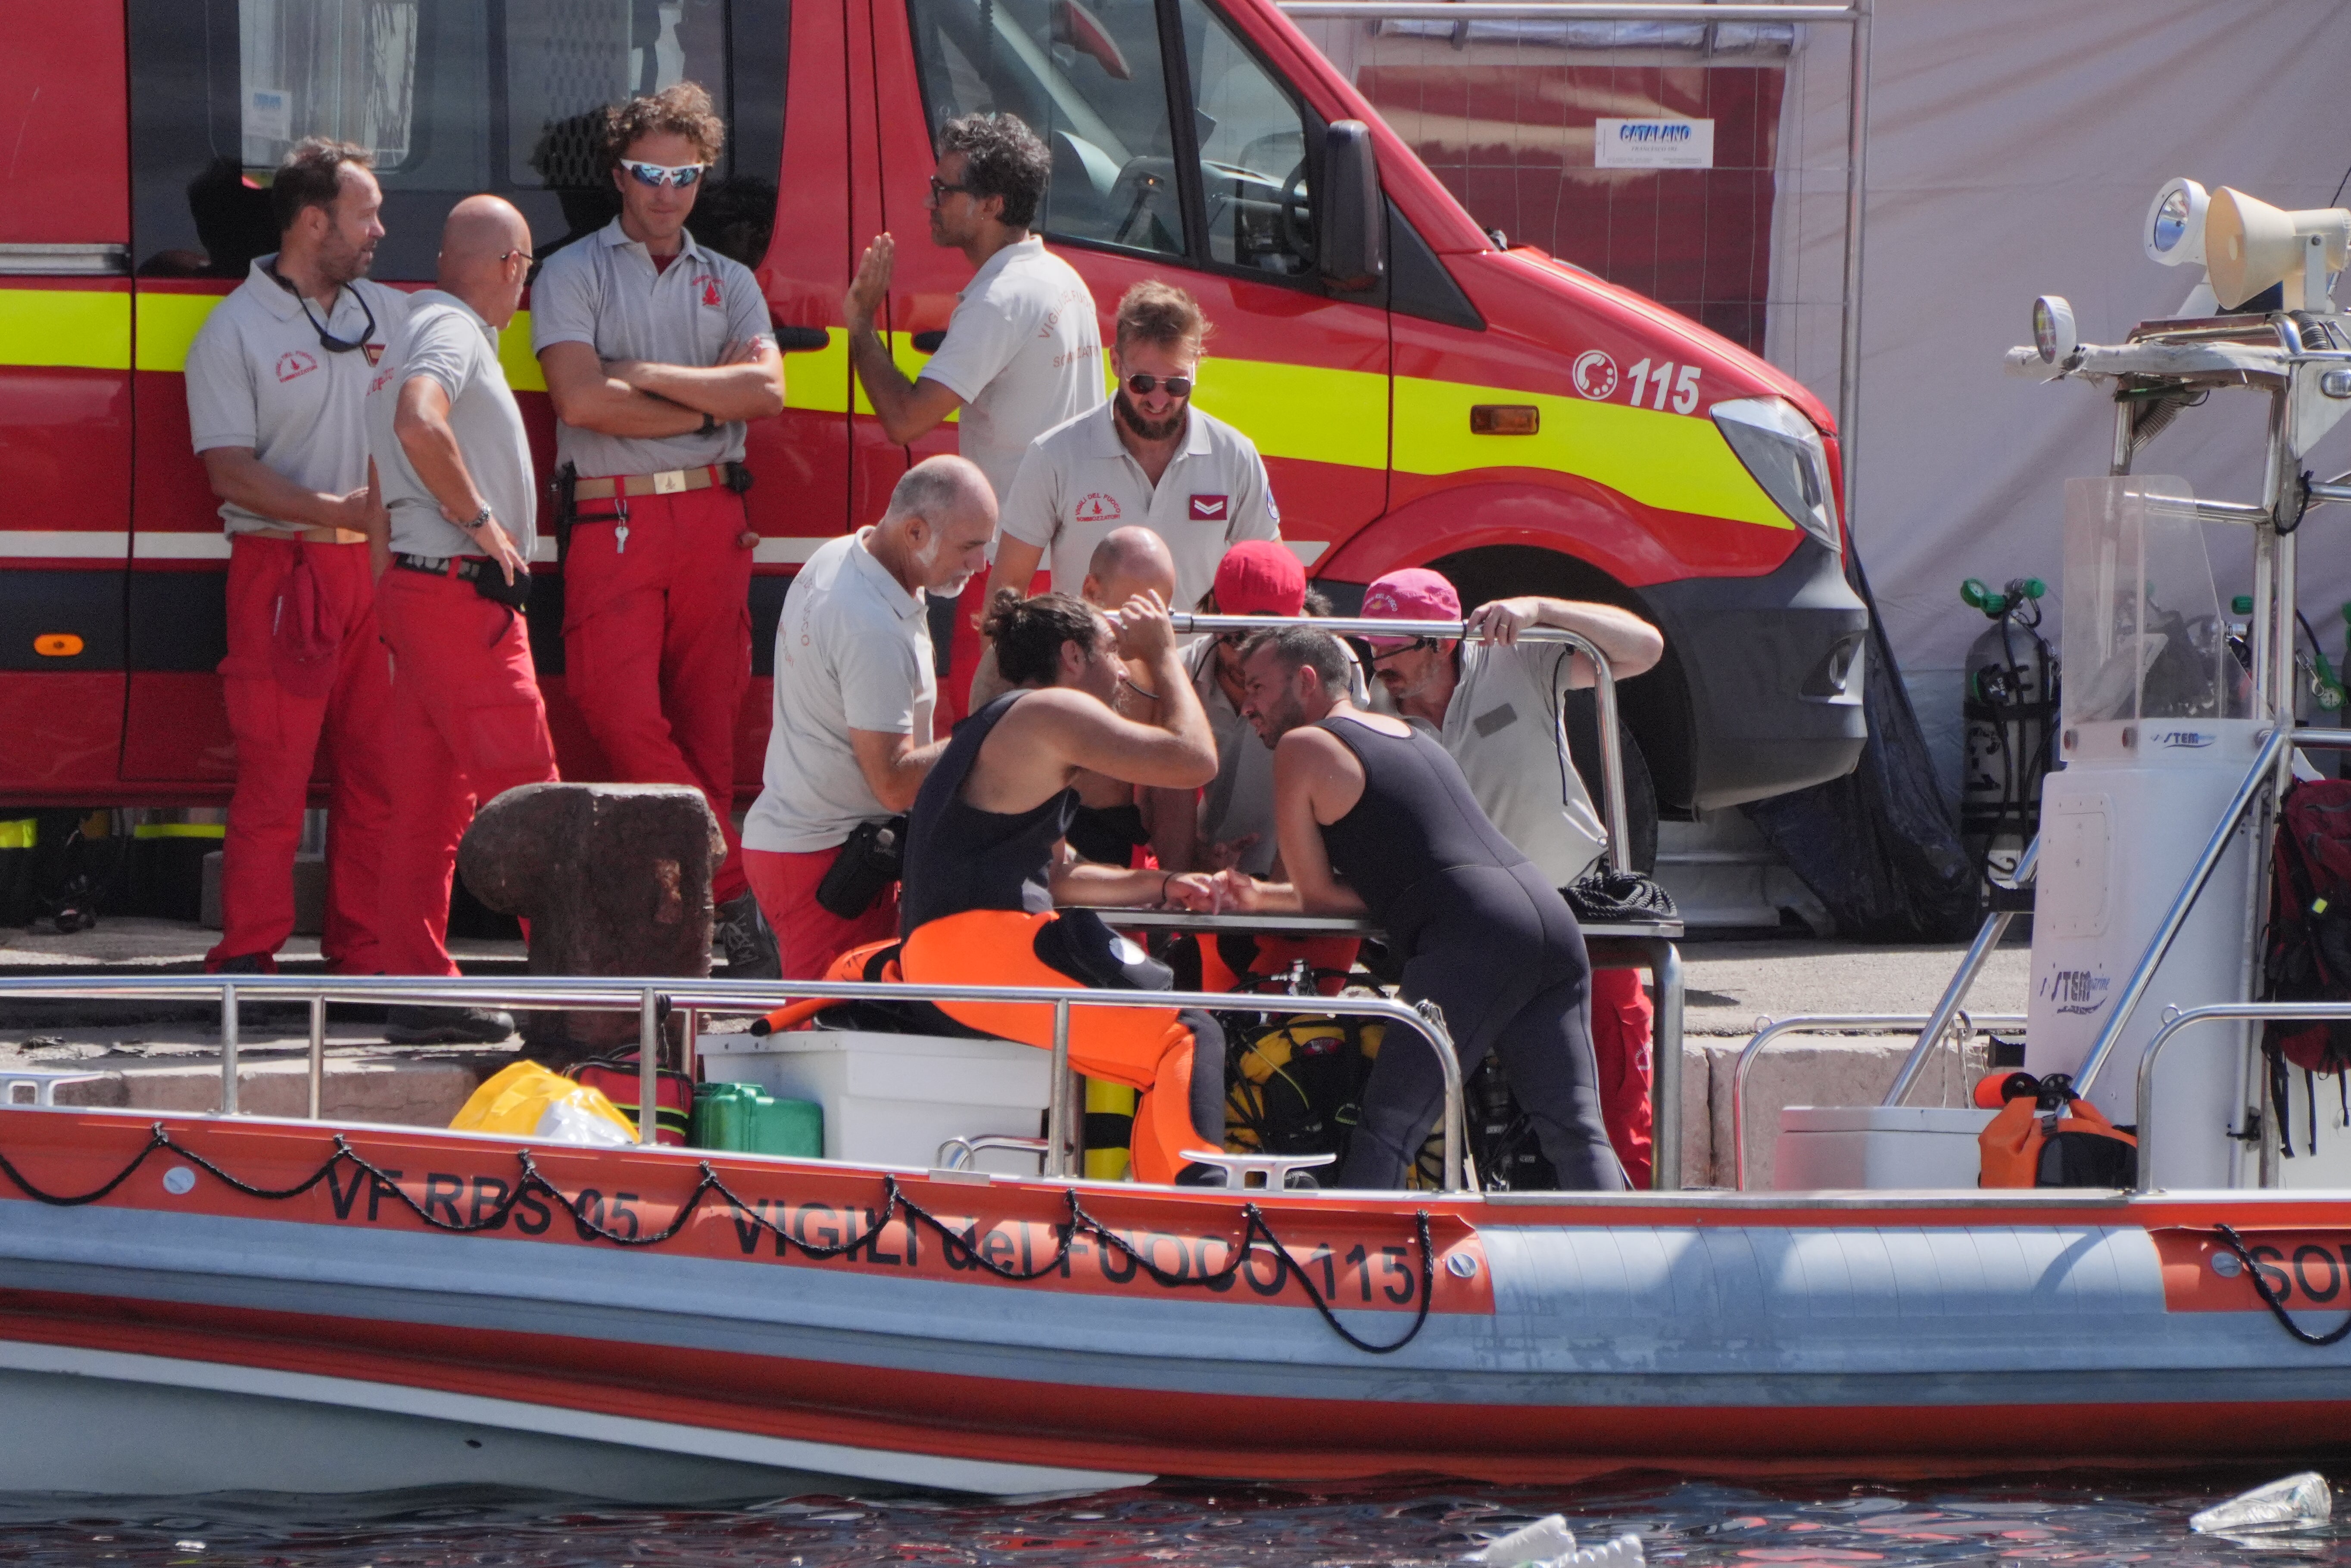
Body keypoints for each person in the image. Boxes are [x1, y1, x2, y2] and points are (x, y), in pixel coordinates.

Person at [1214, 625, 1629, 1191]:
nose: (1247, 705)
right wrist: (1260, 895)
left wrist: (1265, 895)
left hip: (1472, 940)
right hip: (1545, 915)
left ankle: (1357, 1270)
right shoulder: (1408, 732)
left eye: (1257, 686)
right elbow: (1423, 874)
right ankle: (1618, 1263)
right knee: (1575, 1130)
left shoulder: (1304, 746)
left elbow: (1315, 898)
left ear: (1306, 681)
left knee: (1387, 1128)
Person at [531, 81, 786, 977]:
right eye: (648, 172)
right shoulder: (569, 273)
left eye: (686, 174)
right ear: (617, 175)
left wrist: (640, 374)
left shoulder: (734, 279)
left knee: (708, 726)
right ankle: (732, 886)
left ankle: (693, 927)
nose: (666, 191)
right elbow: (580, 399)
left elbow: (767, 393)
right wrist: (704, 406)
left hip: (716, 519)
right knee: (616, 710)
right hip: (616, 517)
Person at [897, 591, 1225, 1185]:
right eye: (1112, 651)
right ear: (1073, 656)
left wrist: (1162, 882)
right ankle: (1200, 1214)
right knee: (1189, 1033)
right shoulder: (1052, 712)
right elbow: (1195, 760)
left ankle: (1155, 1206)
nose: (1124, 668)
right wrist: (1165, 655)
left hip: (944, 956)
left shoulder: (1006, 726)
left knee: (1151, 1051)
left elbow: (1061, 877)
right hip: (978, 951)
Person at [1358, 567, 1665, 1185]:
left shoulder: (1516, 657)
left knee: (1610, 1100)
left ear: (1442, 644)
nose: (1380, 661)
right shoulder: (1374, 706)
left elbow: (1645, 649)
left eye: (1394, 647)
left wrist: (1541, 603)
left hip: (1573, 908)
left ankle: (1630, 1241)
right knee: (1453, 1105)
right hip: (1468, 932)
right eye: (1373, 646)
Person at [184, 137, 405, 981]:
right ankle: (246, 957)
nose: (382, 229)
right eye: (366, 214)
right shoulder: (234, 329)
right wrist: (335, 512)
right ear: (315, 222)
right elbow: (228, 469)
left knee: (380, 776)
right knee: (274, 781)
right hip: (284, 572)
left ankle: (367, 950)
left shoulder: (388, 311)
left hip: (374, 578)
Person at [365, 196, 559, 1044]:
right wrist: (485, 525)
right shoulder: (451, 334)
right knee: (533, 795)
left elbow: (378, 481)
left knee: (426, 802)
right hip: (462, 591)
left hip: (418, 593)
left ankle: (414, 979)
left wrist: (390, 602)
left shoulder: (404, 327)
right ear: (513, 266)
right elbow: (419, 419)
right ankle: (577, 986)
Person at [843, 112, 1104, 722]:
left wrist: (860, 322)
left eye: (945, 189)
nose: (930, 202)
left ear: (991, 204)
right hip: (1062, 564)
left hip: (1014, 572)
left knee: (988, 737)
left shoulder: (1000, 299)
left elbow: (906, 419)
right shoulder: (1060, 278)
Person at [739, 456, 998, 980]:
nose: (979, 565)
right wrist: (994, 733)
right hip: (828, 861)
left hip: (810, 849)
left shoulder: (845, 556)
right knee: (825, 1036)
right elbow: (895, 784)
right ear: (915, 531)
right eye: (969, 546)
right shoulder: (871, 626)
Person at [984, 281, 1280, 677]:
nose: (1159, 400)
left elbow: (1275, 583)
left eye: (1176, 385)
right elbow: (1006, 596)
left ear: (1196, 372)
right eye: (1142, 383)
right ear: (1115, 364)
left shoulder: (1235, 456)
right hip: (1089, 689)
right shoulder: (1055, 455)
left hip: (1199, 687)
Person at [1151, 540, 1363, 993]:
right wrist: (1187, 872)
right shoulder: (1184, 673)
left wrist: (1282, 906)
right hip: (1211, 882)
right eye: (1236, 638)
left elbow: (1324, 782)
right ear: (1212, 611)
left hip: (1305, 884)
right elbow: (1166, 789)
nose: (1246, 660)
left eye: (1264, 643)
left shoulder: (1333, 667)